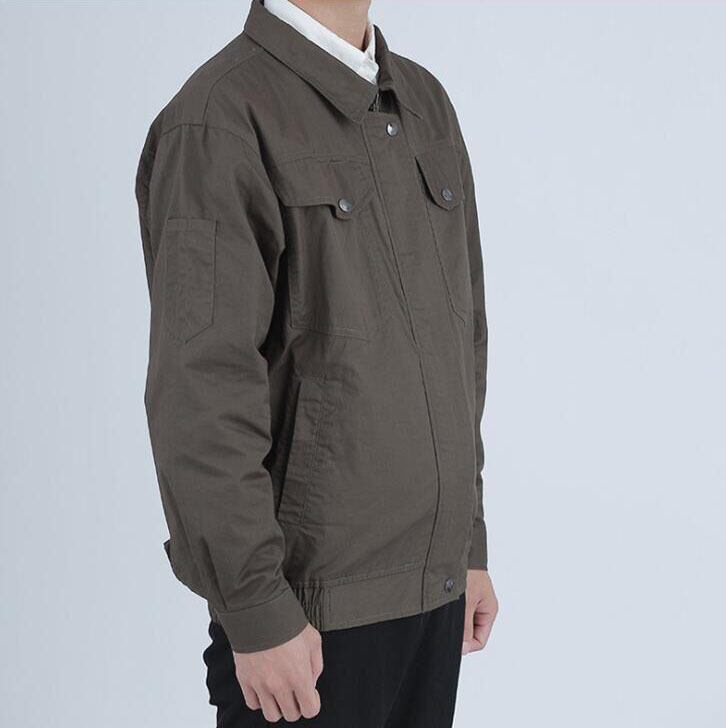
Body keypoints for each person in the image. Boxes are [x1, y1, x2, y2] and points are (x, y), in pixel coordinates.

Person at [136, 0, 498, 725]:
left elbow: (463, 340)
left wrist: (467, 543)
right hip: (307, 618)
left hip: (434, 597)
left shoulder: (424, 103)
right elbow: (201, 392)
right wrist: (254, 608)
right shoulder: (219, 118)